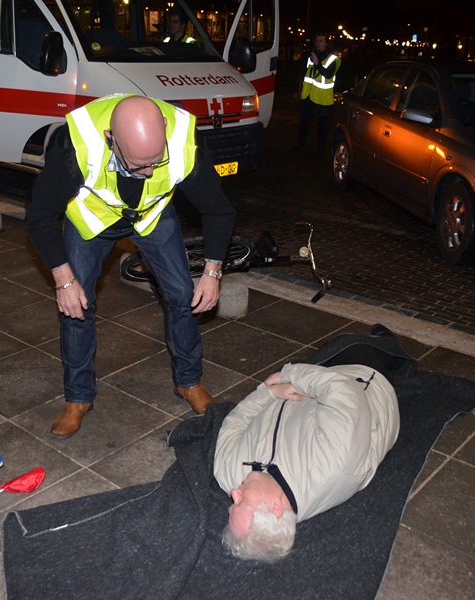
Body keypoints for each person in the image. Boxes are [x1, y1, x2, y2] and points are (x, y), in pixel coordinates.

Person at [26, 93, 235, 439]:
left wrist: (213, 273)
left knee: (183, 293)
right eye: (139, 165)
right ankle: (78, 397)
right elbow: (39, 215)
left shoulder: (184, 139)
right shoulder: (75, 143)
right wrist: (64, 281)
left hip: (152, 216)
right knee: (77, 305)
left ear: (165, 129)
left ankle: (188, 382)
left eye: (157, 159)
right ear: (111, 139)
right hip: (91, 221)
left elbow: (218, 209)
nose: (151, 170)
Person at [213, 360, 400, 562]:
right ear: (276, 508)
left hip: (307, 385)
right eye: (243, 501)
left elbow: (235, 422)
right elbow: (344, 389)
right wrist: (287, 374)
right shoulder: (334, 463)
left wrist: (269, 393)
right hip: (361, 377)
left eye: (233, 504)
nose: (234, 493)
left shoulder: (227, 473)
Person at [294, 34, 340, 154]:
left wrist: (317, 63)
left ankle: (321, 148)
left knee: (322, 126)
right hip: (308, 96)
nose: (318, 43)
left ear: (326, 43)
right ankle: (300, 143)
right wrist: (306, 57)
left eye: (321, 40)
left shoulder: (333, 59)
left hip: (322, 98)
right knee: (304, 122)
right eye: (317, 41)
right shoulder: (312, 55)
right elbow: (302, 71)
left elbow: (328, 74)